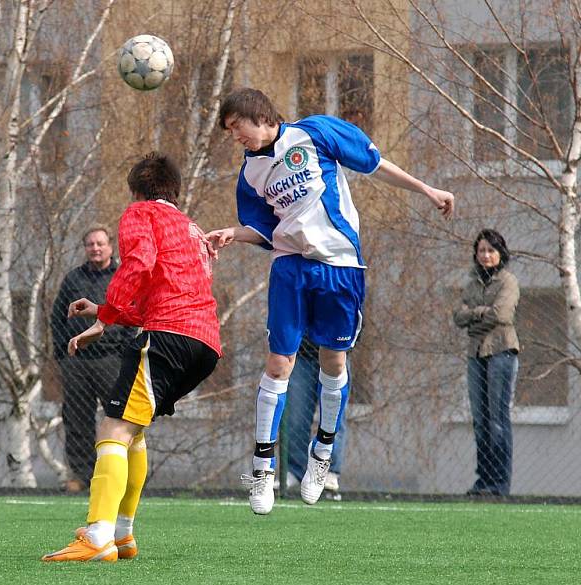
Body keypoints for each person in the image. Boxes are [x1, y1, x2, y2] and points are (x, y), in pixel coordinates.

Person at [207, 87, 454, 515]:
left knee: (333, 363)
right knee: (277, 363)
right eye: (229, 132)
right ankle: (263, 468)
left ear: (260, 116)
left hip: (339, 266)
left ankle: (322, 454)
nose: (235, 138)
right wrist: (234, 233)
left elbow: (374, 164)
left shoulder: (316, 132)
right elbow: (265, 230)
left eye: (236, 127)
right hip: (290, 268)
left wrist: (427, 190)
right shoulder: (249, 176)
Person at [42, 153, 221, 562]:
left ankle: (99, 535)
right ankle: (121, 535)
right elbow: (168, 293)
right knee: (133, 431)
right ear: (174, 190)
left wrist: (105, 319)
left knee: (112, 427)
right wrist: (109, 311)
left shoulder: (141, 213)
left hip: (168, 336)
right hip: (204, 344)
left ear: (136, 191)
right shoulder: (190, 228)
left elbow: (138, 263)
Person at [50, 226, 135, 493]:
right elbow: (58, 317)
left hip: (112, 360)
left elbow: (133, 314)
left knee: (119, 418)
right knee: (76, 419)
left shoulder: (122, 277)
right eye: (90, 244)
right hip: (77, 362)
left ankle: (123, 474)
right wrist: (63, 354)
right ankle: (82, 476)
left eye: (100, 243)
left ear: (110, 246)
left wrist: (124, 353)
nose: (95, 248)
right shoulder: (73, 279)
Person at [453, 229, 519, 496]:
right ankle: (484, 481)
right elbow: (458, 316)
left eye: (491, 250)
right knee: (480, 420)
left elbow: (501, 316)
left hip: (501, 352)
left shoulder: (508, 281)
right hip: (476, 353)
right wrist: (482, 314)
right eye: (482, 250)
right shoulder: (472, 282)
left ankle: (499, 484)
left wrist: (475, 314)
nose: (486, 255)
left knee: (498, 420)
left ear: (500, 253)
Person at [284, 337, 348, 498]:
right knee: (296, 419)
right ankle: (295, 471)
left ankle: (329, 472)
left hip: (336, 351)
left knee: (334, 418)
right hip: (302, 353)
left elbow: (354, 314)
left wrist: (348, 341)